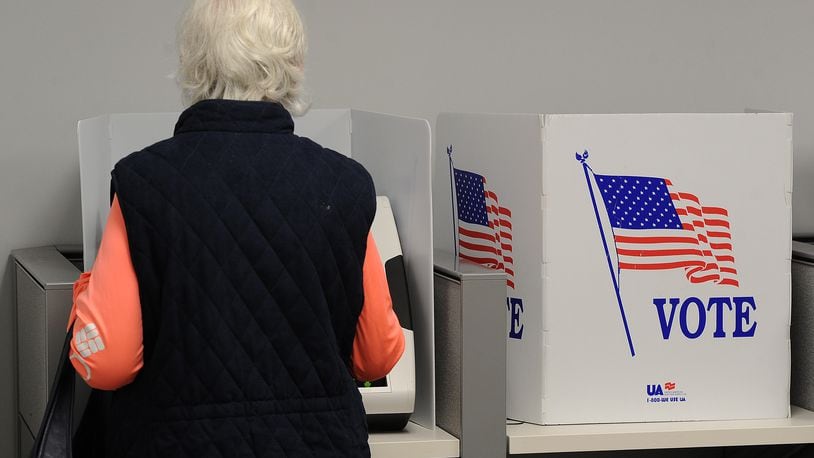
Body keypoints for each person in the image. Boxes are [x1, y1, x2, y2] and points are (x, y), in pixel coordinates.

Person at [67, 0, 404, 456]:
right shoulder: (345, 184)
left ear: (194, 61)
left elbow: (106, 362)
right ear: (294, 62)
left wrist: (86, 290)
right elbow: (376, 356)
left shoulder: (143, 182)